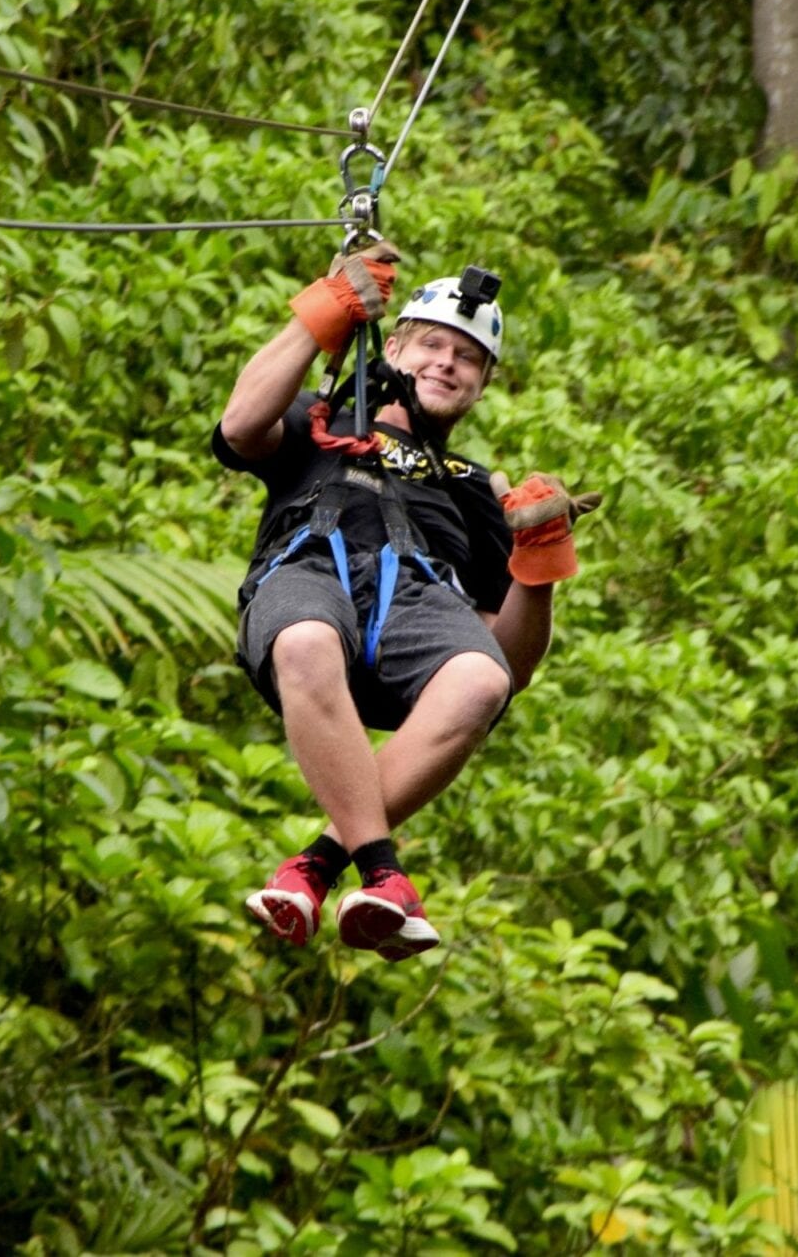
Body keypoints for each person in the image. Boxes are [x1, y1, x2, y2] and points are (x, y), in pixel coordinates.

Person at [212, 240, 597, 960]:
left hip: (416, 609)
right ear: (394, 346)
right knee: (303, 639)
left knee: (479, 681)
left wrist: (537, 563)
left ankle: (318, 868)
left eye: (468, 358)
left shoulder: (475, 486)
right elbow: (240, 427)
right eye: (432, 346)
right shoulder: (322, 419)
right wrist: (323, 314)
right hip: (308, 571)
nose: (448, 363)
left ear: (481, 386)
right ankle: (378, 874)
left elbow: (504, 660)